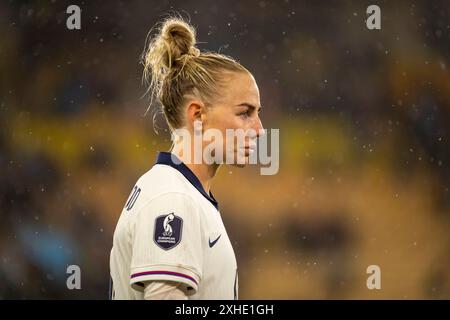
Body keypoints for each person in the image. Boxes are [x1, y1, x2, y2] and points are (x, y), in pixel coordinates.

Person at [109, 16, 264, 300]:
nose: (260, 129)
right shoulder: (172, 198)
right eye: (245, 112)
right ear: (197, 115)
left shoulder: (181, 192)